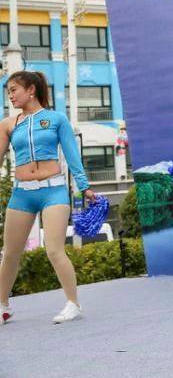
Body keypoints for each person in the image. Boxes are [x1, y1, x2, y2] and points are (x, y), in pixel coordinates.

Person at [0, 71, 97, 324]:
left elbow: (72, 155)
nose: (10, 96)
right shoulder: (7, 124)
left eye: (13, 90)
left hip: (53, 190)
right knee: (10, 254)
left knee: (54, 250)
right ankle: (2, 306)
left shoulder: (56, 119)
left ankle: (73, 304)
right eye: (8, 92)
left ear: (31, 90)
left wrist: (84, 186)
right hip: (22, 193)